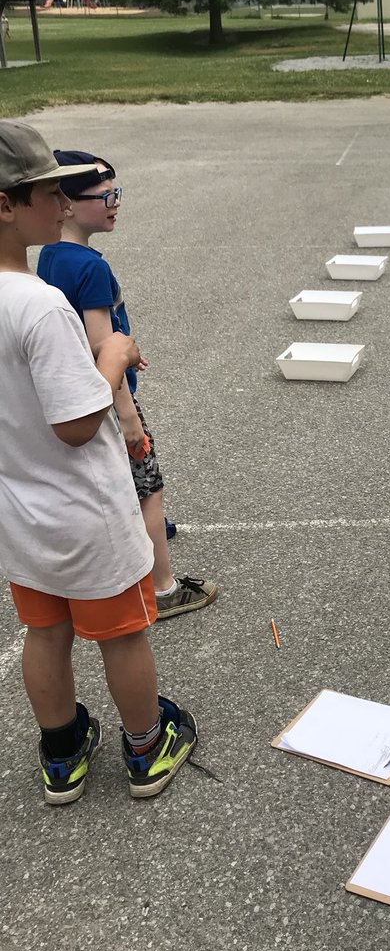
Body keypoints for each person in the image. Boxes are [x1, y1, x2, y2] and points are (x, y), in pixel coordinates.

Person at [0, 120, 198, 804]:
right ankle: (147, 746)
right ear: (5, 205)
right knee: (123, 636)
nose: (59, 203)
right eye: (45, 191)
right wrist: (114, 355)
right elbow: (79, 423)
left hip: (22, 513)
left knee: (44, 631)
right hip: (85, 511)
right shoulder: (41, 305)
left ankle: (62, 753)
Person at [37, 150, 218, 620]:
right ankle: (161, 587)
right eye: (106, 196)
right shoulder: (91, 268)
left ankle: (146, 533)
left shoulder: (51, 258)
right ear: (68, 205)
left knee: (128, 485)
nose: (116, 203)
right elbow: (104, 347)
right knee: (147, 485)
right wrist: (130, 417)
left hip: (82, 394)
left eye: (117, 192)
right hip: (111, 399)